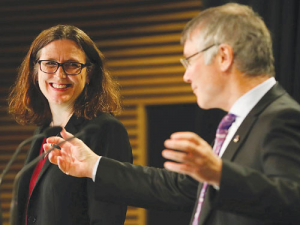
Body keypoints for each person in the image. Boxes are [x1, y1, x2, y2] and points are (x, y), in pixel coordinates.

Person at [46, 3, 300, 225]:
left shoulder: (280, 117)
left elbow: (293, 201)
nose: (186, 75)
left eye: (190, 60)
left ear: (223, 56)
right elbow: (180, 188)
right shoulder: (242, 122)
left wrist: (220, 174)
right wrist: (92, 165)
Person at [8, 25, 133, 225]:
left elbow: (107, 219)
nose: (59, 75)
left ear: (89, 73)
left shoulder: (106, 130)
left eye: (72, 65)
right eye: (49, 63)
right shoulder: (43, 131)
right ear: (35, 71)